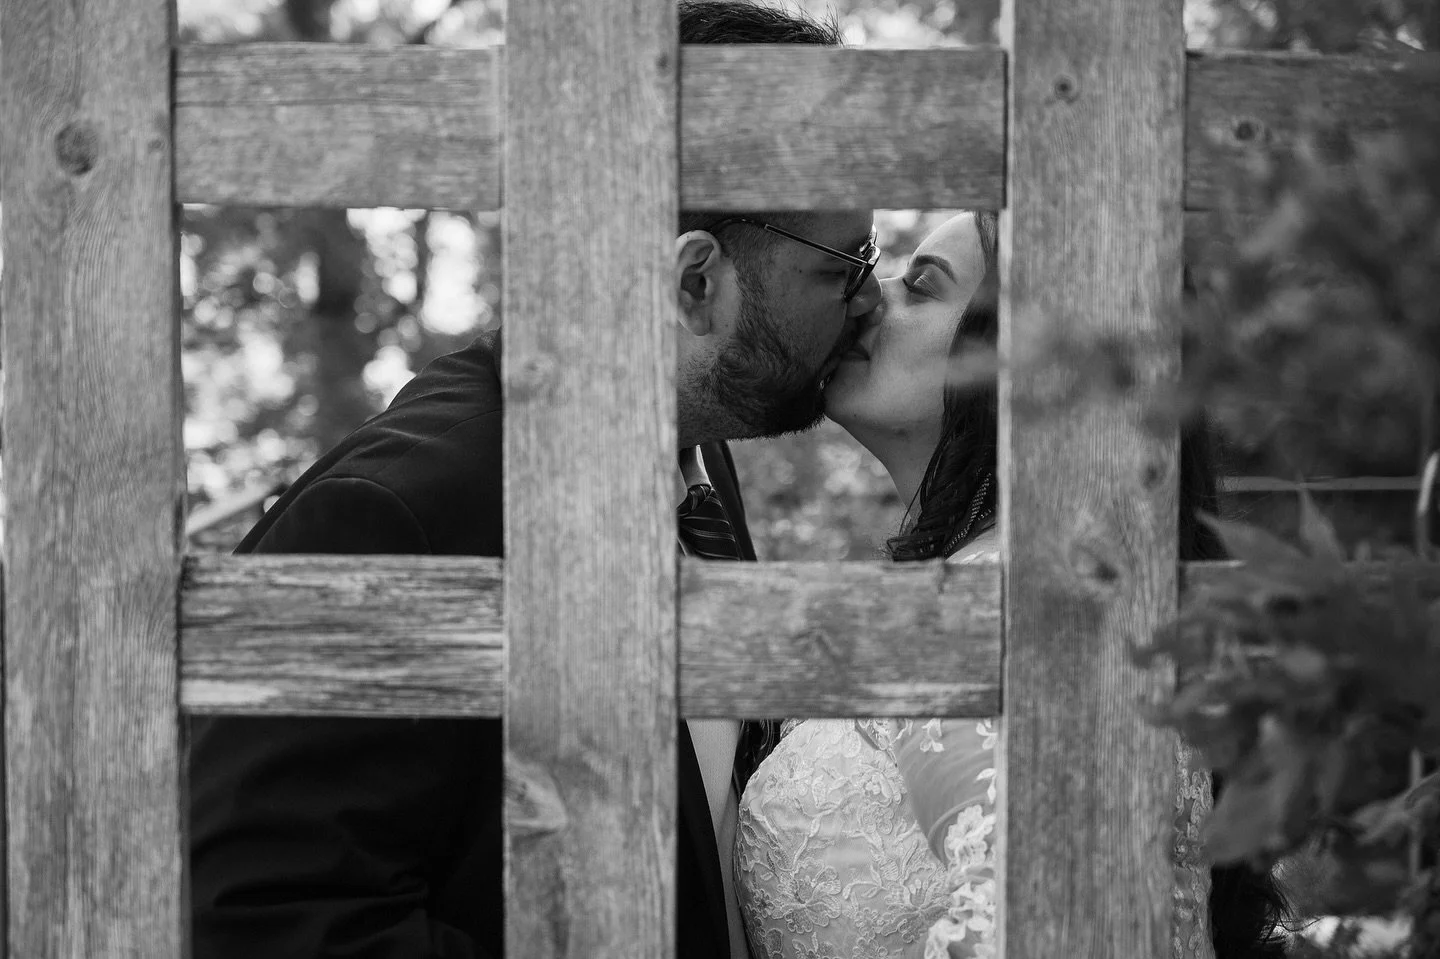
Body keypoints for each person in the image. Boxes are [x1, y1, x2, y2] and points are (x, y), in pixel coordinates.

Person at [186, 4, 881, 958]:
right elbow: (266, 913)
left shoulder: (696, 454)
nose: (870, 297)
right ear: (695, 284)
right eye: (847, 264)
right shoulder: (398, 513)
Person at [733, 212, 1291, 958]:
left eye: (922, 287)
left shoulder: (1016, 596)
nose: (867, 296)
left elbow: (1051, 926)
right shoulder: (1010, 578)